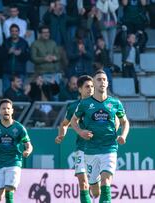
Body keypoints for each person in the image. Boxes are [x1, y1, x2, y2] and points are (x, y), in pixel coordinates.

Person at [71, 70, 130, 203]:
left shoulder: (115, 103)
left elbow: (125, 121)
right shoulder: (85, 104)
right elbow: (73, 121)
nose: (102, 82)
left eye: (104, 79)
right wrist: (80, 132)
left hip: (109, 147)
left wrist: (123, 135)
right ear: (94, 83)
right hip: (90, 149)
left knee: (106, 180)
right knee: (95, 190)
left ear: (108, 83)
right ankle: (94, 182)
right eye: (99, 79)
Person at [55, 75, 94, 203]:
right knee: (83, 182)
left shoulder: (100, 104)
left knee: (95, 189)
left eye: (92, 87)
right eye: (87, 87)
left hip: (98, 148)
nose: (90, 89)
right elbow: (64, 124)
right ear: (79, 89)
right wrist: (61, 135)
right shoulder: (73, 106)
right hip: (81, 148)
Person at [3, 24, 30, 92]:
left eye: (16, 31)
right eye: (12, 31)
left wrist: (20, 54)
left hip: (20, 72)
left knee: (19, 93)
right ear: (10, 32)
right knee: (6, 93)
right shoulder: (5, 42)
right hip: (7, 72)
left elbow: (28, 57)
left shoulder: (24, 43)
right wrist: (8, 52)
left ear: (19, 32)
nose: (14, 33)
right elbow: (0, 58)